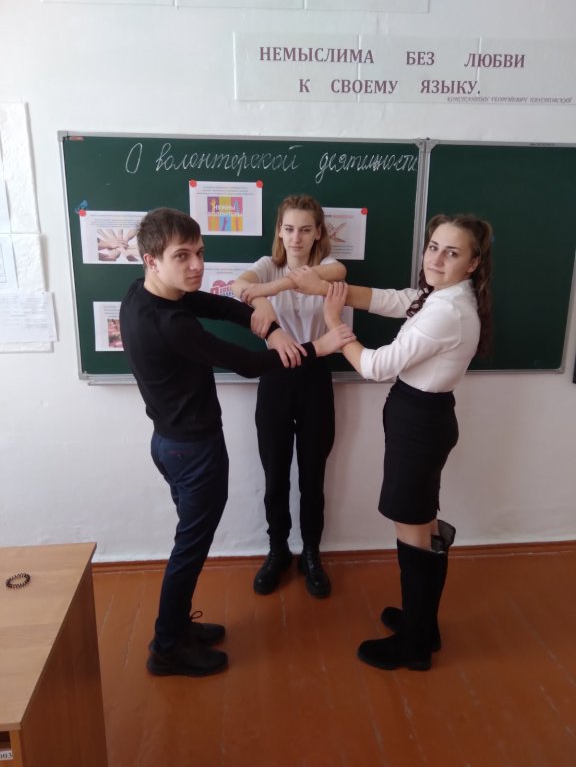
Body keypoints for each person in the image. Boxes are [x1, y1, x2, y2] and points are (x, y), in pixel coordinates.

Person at [119, 207, 354, 678]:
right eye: (182, 256)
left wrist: (268, 321)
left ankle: (178, 628)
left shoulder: (145, 297)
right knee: (190, 549)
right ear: (151, 260)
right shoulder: (171, 324)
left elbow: (219, 305)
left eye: (200, 253)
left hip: (172, 443)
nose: (196, 266)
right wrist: (318, 348)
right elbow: (246, 364)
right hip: (193, 451)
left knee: (191, 542)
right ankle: (167, 647)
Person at [292, 213, 493, 670]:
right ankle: (423, 625)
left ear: (473, 263)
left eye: (451, 253)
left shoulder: (446, 311)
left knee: (413, 530)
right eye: (433, 247)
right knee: (422, 525)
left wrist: (334, 323)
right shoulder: (442, 295)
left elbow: (376, 366)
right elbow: (392, 299)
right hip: (421, 421)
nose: (435, 259)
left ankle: (414, 646)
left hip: (419, 427)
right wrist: (327, 289)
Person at [231, 195, 347, 598]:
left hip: (316, 376)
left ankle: (311, 553)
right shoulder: (268, 264)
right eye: (289, 229)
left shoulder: (329, 268)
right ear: (279, 231)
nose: (296, 238)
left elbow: (334, 273)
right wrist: (262, 302)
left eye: (305, 229)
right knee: (275, 475)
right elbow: (239, 286)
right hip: (275, 377)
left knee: (313, 477)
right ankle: (278, 550)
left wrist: (265, 292)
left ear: (318, 233)